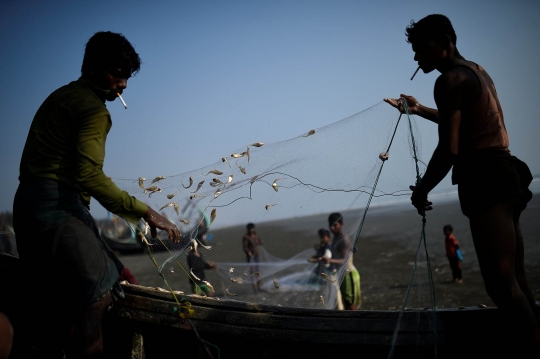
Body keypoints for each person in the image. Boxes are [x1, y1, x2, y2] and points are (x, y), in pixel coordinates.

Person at [12, 31, 182, 358]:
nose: (124, 85)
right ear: (93, 68)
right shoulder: (94, 111)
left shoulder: (60, 96)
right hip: (57, 209)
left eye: (127, 77)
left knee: (57, 303)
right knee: (97, 297)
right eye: (117, 75)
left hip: (28, 208)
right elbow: (87, 175)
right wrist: (146, 211)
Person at [384, 14, 540, 346]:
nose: (415, 57)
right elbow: (460, 120)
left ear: (444, 42)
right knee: (517, 278)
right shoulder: (475, 70)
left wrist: (422, 188)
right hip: (508, 172)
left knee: (501, 284)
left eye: (420, 48)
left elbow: (450, 147)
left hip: (486, 178)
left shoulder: (449, 81)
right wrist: (418, 108)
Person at [321, 213, 361, 310]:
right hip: (342, 275)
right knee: (344, 302)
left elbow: (344, 261)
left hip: (349, 274)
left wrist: (329, 260)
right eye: (331, 225)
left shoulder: (344, 239)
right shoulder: (335, 239)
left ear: (341, 224)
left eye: (335, 225)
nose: (332, 227)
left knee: (350, 304)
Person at [242, 223, 263, 293]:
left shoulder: (255, 234)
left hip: (256, 255)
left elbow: (259, 241)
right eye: (250, 228)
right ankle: (255, 289)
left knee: (258, 271)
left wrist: (260, 242)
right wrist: (248, 252)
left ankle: (259, 287)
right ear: (248, 229)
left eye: (252, 228)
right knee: (252, 272)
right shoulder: (246, 237)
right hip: (250, 257)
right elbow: (245, 247)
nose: (251, 229)